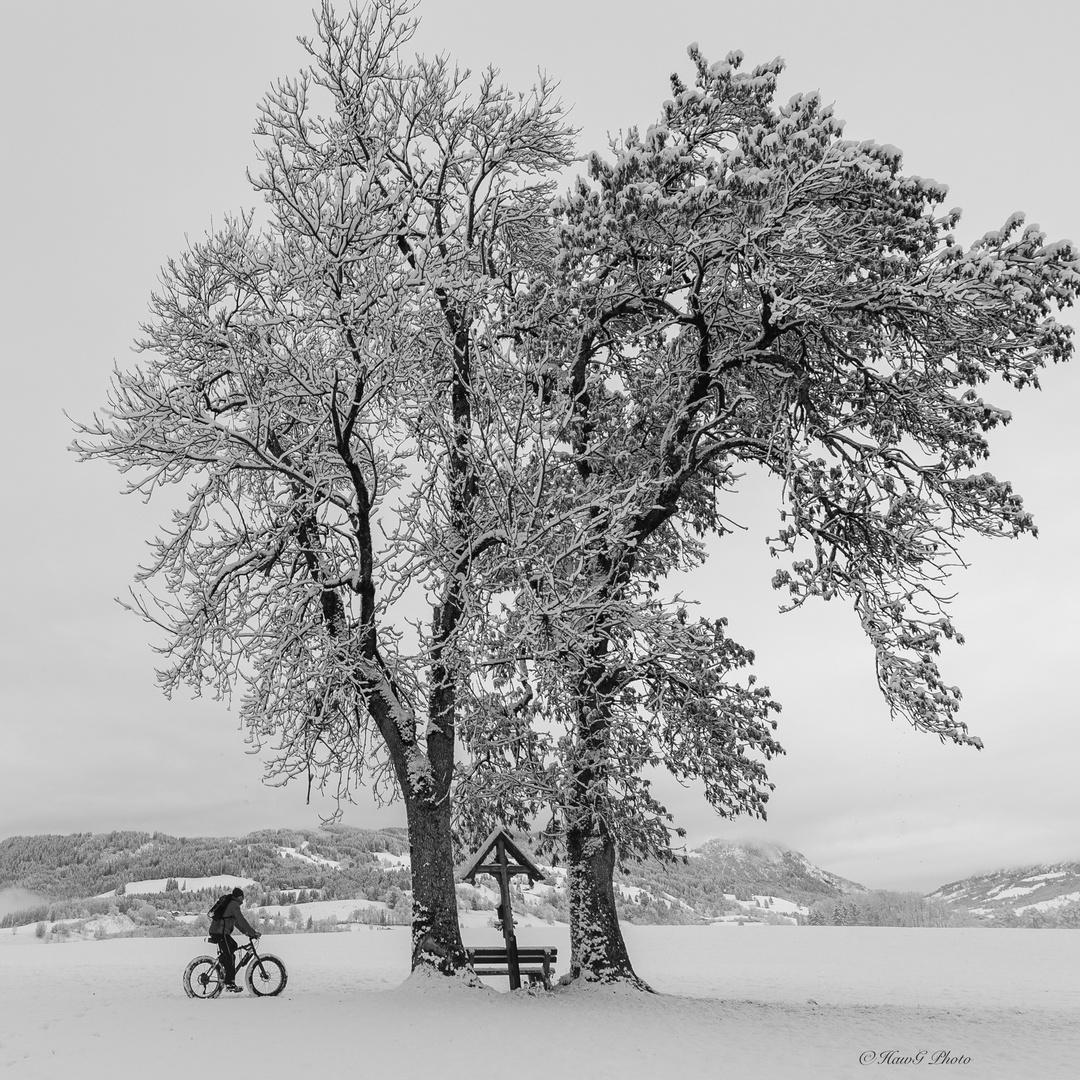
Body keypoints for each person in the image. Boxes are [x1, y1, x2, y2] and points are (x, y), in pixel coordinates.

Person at [208, 886, 260, 992]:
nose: (243, 900)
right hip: (220, 933)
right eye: (242, 898)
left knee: (233, 946)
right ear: (239, 897)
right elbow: (241, 919)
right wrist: (253, 932)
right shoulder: (234, 905)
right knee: (230, 957)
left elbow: (236, 923)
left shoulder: (230, 904)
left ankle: (223, 968)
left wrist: (247, 933)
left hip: (220, 933)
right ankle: (229, 983)